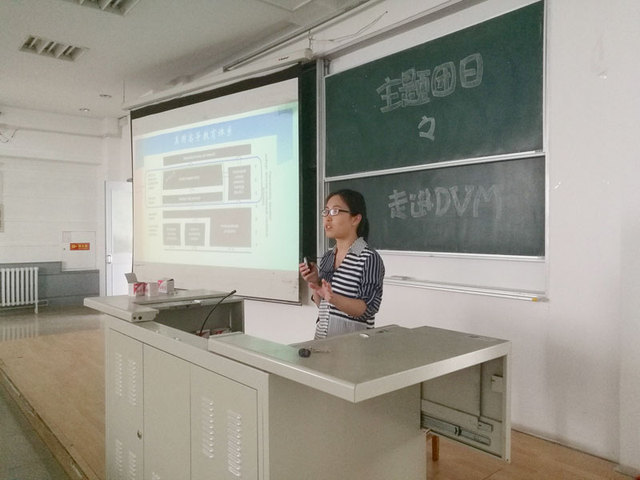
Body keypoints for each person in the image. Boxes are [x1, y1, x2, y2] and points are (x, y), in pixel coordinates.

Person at [299, 189, 385, 339]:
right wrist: (315, 283)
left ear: (355, 219)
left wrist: (333, 298)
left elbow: (368, 309)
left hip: (354, 347)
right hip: (322, 342)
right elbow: (322, 305)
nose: (327, 218)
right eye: (326, 212)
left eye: (335, 211)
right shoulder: (327, 257)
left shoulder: (369, 258)